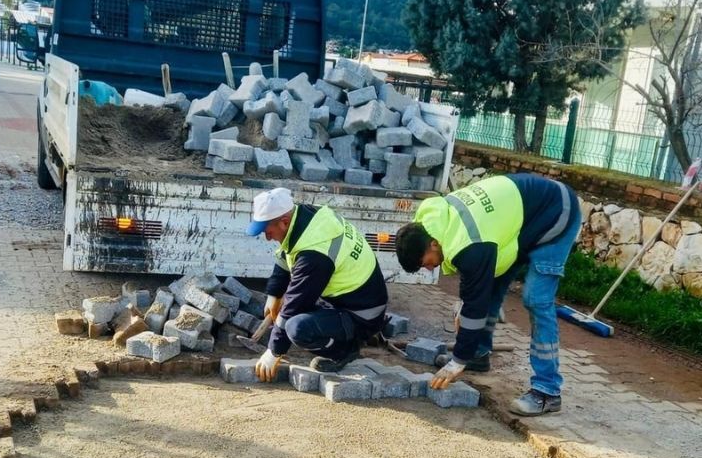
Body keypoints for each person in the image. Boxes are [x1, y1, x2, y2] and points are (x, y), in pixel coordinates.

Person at [394, 173, 581, 416]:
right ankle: (478, 354)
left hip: (556, 213)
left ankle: (547, 391)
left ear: (433, 244)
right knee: (488, 286)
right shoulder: (433, 223)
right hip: (518, 223)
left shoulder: (470, 244)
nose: (429, 268)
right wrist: (467, 308)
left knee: (536, 299)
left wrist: (457, 360)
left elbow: (475, 303)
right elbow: (476, 287)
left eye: (425, 263)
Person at [247, 187, 389, 381]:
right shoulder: (306, 216)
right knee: (295, 314)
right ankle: (342, 333)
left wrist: (273, 352)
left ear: (284, 222)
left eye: (267, 230)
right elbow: (287, 253)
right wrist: (274, 294)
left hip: (363, 313)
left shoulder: (315, 253)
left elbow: (295, 305)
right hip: (350, 299)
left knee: (297, 328)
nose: (267, 237)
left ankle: (345, 350)